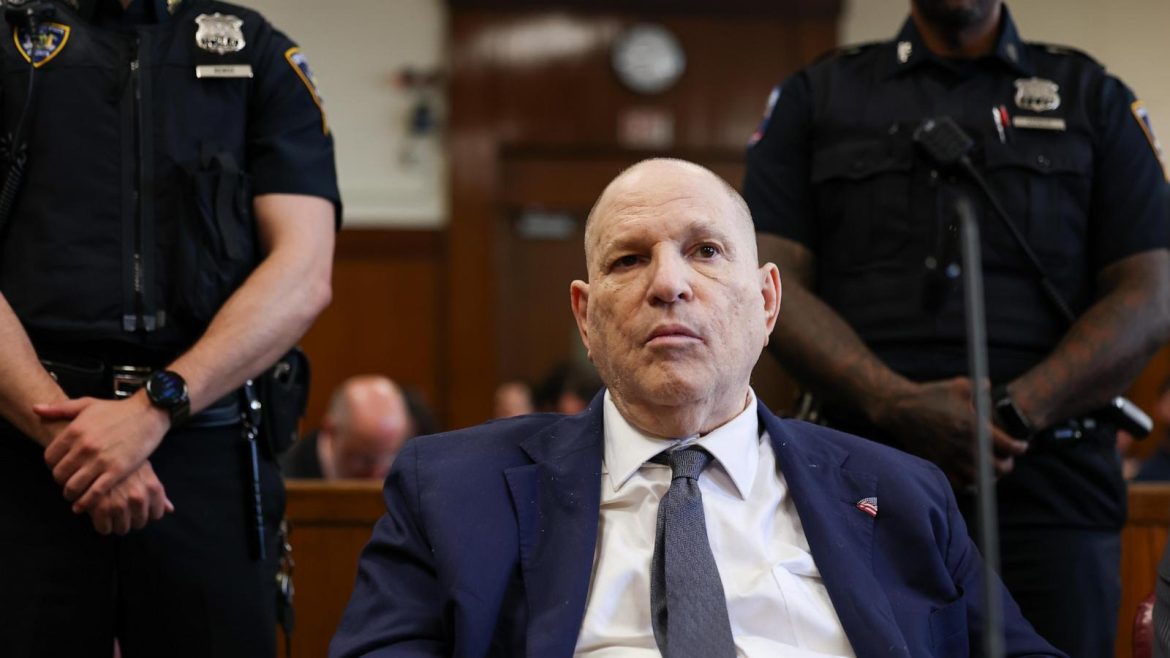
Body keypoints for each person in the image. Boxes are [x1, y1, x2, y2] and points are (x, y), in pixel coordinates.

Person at [330, 159, 1062, 657]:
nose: (668, 284)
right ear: (585, 317)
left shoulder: (903, 495)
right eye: (629, 259)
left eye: (706, 251)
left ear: (767, 302)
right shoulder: (452, 490)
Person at [742, 1, 1170, 654]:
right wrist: (894, 402)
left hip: (1050, 486)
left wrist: (1015, 411)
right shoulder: (820, 95)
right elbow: (770, 280)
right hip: (860, 476)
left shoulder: (1091, 96)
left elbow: (1152, 292)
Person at [0, 0, 339, 656]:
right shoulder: (11, 43)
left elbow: (303, 272)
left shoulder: (256, 52)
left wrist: (154, 409)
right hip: (25, 441)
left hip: (204, 445)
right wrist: (75, 442)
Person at [283, 375, 415, 480]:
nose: (379, 474)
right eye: (367, 461)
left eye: (391, 458)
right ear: (331, 431)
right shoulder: (285, 478)